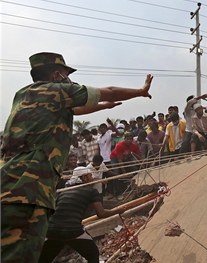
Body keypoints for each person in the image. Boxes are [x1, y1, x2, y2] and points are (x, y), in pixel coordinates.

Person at [1, 52, 153, 263]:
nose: (68, 78)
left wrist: (103, 107)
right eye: (66, 73)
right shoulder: (58, 90)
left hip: (7, 184)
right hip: (29, 189)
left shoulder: (24, 95)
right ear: (57, 74)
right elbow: (108, 92)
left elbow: (76, 109)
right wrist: (140, 92)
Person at [38, 167, 126, 263]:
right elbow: (101, 213)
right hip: (73, 230)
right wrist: (118, 210)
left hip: (51, 230)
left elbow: (55, 211)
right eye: (90, 175)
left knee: (43, 260)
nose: (92, 178)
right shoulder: (92, 192)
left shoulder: (64, 191)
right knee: (93, 255)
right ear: (84, 178)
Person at [109, 132, 141, 200]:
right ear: (124, 139)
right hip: (115, 158)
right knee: (117, 173)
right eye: (127, 139)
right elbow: (120, 161)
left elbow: (139, 156)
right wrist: (124, 173)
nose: (129, 140)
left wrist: (144, 163)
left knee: (134, 168)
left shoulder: (134, 146)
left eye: (130, 139)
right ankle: (117, 193)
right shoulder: (119, 145)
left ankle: (131, 187)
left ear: (132, 139)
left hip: (125, 158)